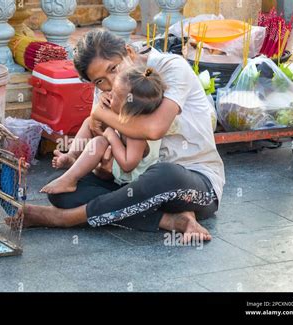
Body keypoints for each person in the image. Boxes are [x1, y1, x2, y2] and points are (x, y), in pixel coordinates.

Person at [14, 29, 225, 243]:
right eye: (99, 81)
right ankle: (171, 220)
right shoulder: (108, 89)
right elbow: (98, 128)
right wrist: (102, 162)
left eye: (114, 68)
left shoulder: (171, 67)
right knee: (63, 193)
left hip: (191, 182)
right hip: (132, 181)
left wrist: (100, 115)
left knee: (164, 175)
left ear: (129, 52)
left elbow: (154, 129)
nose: (112, 83)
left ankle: (64, 218)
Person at [40, 65, 165, 194]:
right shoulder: (126, 116)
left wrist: (111, 136)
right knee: (90, 122)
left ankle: (70, 179)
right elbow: (98, 121)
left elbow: (128, 165)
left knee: (99, 142)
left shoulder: (137, 134)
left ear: (127, 107)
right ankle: (72, 156)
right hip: (115, 160)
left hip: (131, 178)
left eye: (114, 94)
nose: (109, 94)